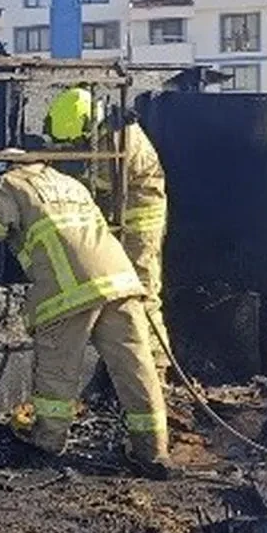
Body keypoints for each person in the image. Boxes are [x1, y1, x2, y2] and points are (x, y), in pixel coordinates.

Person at [0, 148, 175, 479]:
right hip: (120, 280)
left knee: (57, 369)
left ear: (3, 169)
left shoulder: (10, 183)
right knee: (134, 366)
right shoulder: (70, 183)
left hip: (69, 289)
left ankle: (47, 441)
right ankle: (153, 451)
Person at [45, 86, 171, 373]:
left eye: (77, 142)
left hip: (139, 224)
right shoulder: (108, 128)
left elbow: (97, 187)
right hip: (126, 218)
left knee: (142, 294)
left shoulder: (115, 140)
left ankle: (157, 371)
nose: (75, 147)